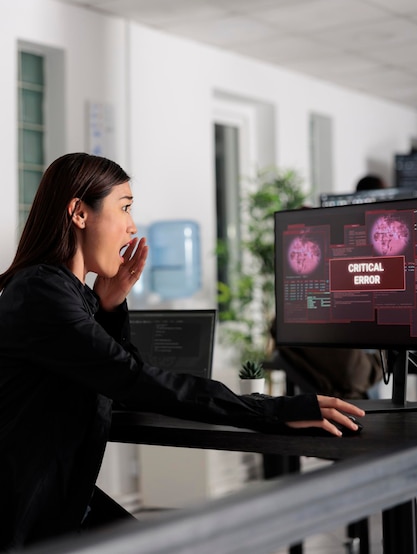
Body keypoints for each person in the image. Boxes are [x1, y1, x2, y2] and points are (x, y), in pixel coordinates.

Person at [0, 153, 364, 551]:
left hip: (62, 502)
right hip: (27, 514)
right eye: (124, 208)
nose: (131, 227)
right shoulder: (40, 291)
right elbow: (131, 379)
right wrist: (271, 410)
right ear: (79, 213)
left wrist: (108, 306)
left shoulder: (66, 295)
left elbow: (116, 376)